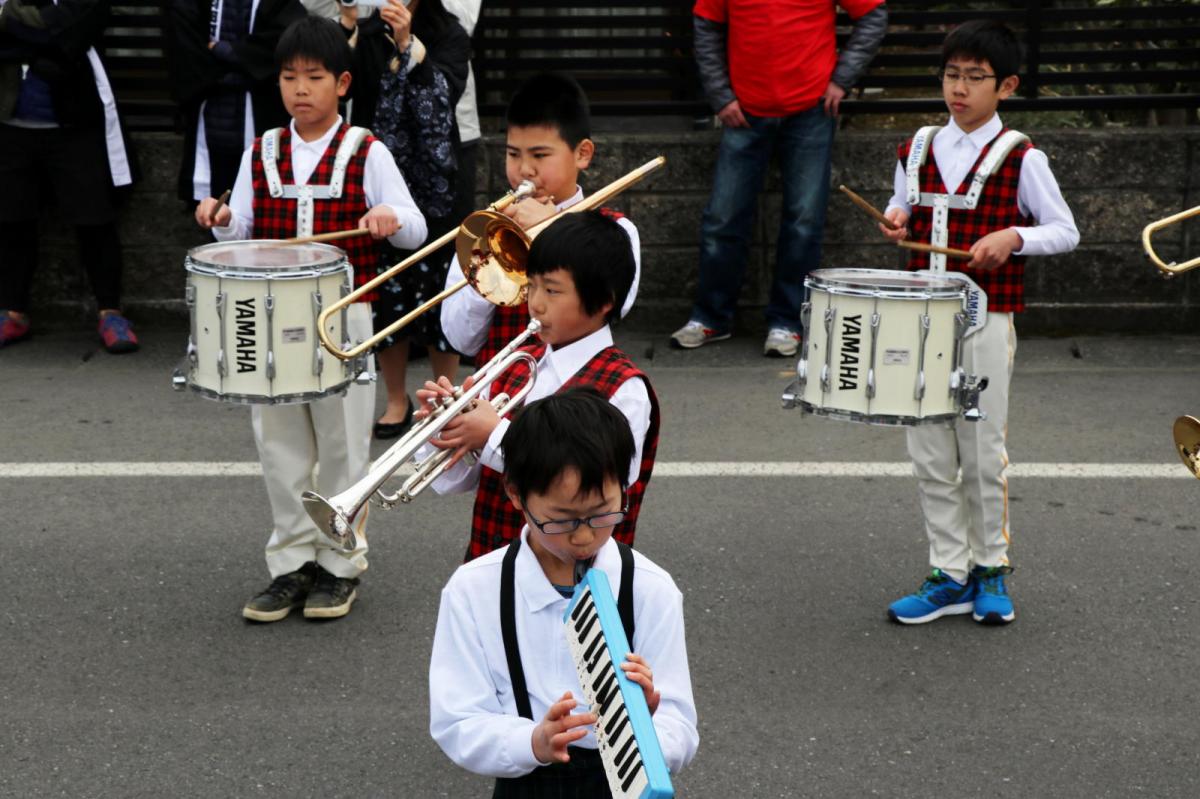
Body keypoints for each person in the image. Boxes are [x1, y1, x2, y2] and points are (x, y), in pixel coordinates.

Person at [195, 16, 428, 621]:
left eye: (315, 76)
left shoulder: (365, 150)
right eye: (289, 76)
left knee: (345, 446)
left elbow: (418, 227)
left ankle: (340, 564)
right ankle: (291, 565)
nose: (300, 88)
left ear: (343, 83)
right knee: (280, 447)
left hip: (346, 322)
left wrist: (389, 219)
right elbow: (240, 228)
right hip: (268, 324)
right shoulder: (262, 150)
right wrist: (220, 219)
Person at [879, 20, 1078, 625]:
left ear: (1006, 85)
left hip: (986, 318)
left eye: (975, 78)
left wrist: (1013, 235)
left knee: (981, 449)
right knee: (929, 449)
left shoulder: (1022, 154)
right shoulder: (917, 145)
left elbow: (1065, 230)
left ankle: (991, 569)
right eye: (951, 75)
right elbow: (903, 205)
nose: (959, 89)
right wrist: (895, 216)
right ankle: (950, 572)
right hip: (919, 321)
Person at [428, 388, 699, 794]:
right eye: (563, 519)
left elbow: (679, 727)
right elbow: (457, 719)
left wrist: (645, 729)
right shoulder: (474, 588)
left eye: (603, 512)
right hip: (528, 781)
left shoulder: (649, 587)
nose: (585, 535)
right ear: (516, 494)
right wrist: (534, 741)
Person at [418, 211, 659, 562]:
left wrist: (493, 435)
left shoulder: (624, 389)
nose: (536, 303)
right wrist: (448, 429)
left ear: (604, 301)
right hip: (494, 562)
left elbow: (598, 481)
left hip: (579, 577)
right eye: (530, 286)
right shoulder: (515, 361)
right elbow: (460, 481)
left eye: (552, 290)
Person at [669, 0, 888, 357]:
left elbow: (873, 16)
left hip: (811, 109)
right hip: (743, 108)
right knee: (722, 219)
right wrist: (721, 95)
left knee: (804, 222)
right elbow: (705, 25)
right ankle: (710, 317)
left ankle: (787, 321)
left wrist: (841, 80)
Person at [440, 71, 642, 370]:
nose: (524, 169)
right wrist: (488, 269)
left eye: (540, 155)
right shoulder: (485, 229)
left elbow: (616, 307)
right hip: (498, 391)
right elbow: (461, 340)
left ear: (582, 154)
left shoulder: (617, 230)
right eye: (513, 154)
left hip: (578, 390)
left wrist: (555, 228)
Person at [339, 0, 470, 440]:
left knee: (440, 294)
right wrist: (349, 26)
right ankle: (396, 398)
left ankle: (445, 396)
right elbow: (344, 85)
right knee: (388, 290)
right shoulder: (367, 30)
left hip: (436, 183)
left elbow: (445, 95)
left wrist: (408, 44)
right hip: (379, 175)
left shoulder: (447, 30)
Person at [0, 0, 139, 353]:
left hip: (76, 123)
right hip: (11, 122)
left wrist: (13, 25)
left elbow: (72, 32)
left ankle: (110, 311)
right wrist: (49, 37)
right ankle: (13, 311)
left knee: (95, 219)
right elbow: (54, 36)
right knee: (11, 220)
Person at [165, 0, 306, 203]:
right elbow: (186, 45)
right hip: (211, 107)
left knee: (268, 195)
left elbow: (286, 41)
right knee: (216, 202)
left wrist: (228, 52)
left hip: (262, 108)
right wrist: (230, 72)